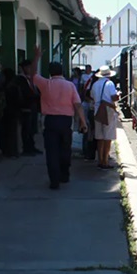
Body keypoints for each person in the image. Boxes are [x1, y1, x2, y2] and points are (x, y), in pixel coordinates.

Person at [31, 46, 88, 189]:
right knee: (65, 149)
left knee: (51, 151)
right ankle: (65, 175)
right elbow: (78, 105)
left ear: (50, 73)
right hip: (65, 122)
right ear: (62, 71)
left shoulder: (45, 84)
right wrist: (83, 122)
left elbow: (33, 74)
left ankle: (54, 180)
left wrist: (37, 56)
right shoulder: (70, 86)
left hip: (50, 121)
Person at [91, 65, 120, 169]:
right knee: (108, 138)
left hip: (97, 111)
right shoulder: (110, 83)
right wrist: (118, 95)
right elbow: (113, 97)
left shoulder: (95, 84)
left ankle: (100, 160)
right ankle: (105, 161)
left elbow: (92, 97)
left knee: (99, 137)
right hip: (108, 111)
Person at [18, 59, 42, 156]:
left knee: (32, 128)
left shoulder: (32, 79)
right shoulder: (21, 80)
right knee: (26, 128)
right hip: (26, 106)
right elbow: (24, 93)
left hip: (33, 107)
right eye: (29, 67)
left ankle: (32, 146)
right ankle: (26, 148)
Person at [0, 68, 23, 158]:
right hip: (13, 112)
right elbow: (19, 99)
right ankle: (12, 151)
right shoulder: (14, 86)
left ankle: (4, 149)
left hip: (3, 112)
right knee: (12, 132)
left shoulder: (2, 85)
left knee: (3, 131)